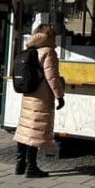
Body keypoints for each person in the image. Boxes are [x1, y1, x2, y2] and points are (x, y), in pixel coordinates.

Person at [13, 24, 65, 178]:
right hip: (41, 98)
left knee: (25, 129)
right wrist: (60, 96)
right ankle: (31, 168)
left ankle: (20, 164)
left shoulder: (31, 50)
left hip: (28, 95)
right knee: (35, 132)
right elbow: (52, 78)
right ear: (50, 37)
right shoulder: (48, 52)